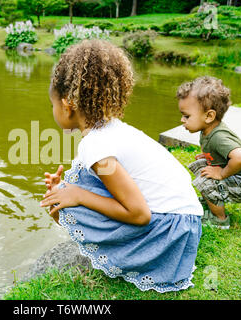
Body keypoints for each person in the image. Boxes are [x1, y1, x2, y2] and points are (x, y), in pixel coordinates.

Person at [39, 39, 203, 293]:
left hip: (171, 232)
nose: (53, 110)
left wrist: (77, 195)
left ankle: (121, 253)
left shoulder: (95, 145)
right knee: (74, 185)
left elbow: (140, 214)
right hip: (184, 221)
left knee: (73, 198)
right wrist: (69, 190)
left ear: (66, 105)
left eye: (52, 105)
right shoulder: (110, 129)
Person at [177, 76, 241, 230]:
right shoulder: (206, 130)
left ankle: (220, 219)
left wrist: (222, 174)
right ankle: (211, 201)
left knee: (206, 181)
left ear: (209, 116)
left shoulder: (219, 136)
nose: (182, 120)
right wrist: (208, 157)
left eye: (187, 116)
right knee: (201, 166)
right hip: (238, 176)